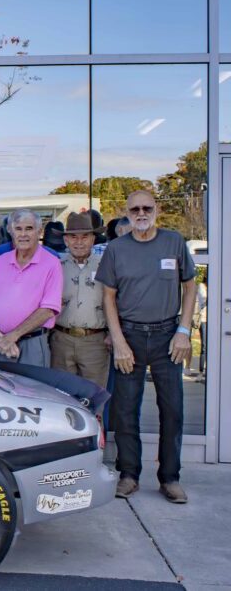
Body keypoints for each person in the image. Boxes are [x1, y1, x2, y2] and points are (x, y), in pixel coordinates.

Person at [97, 190, 197, 504]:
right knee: (125, 410)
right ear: (127, 212)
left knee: (173, 410)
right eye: (135, 209)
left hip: (169, 336)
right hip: (131, 336)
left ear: (157, 209)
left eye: (147, 208)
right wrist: (120, 341)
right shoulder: (116, 249)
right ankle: (129, 474)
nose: (141, 213)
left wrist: (184, 330)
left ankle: (170, 478)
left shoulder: (174, 242)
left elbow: (190, 286)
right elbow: (108, 297)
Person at [0, 209, 63, 367]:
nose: (23, 234)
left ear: (39, 231)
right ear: (11, 231)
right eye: (18, 229)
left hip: (32, 344)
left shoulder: (52, 263)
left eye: (29, 228)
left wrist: (12, 336)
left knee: (32, 391)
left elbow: (48, 309)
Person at [50, 213, 110, 388]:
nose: (79, 242)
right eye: (73, 237)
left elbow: (116, 301)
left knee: (94, 396)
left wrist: (113, 334)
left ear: (93, 239)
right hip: (61, 340)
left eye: (85, 237)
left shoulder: (105, 265)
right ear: (66, 240)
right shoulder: (55, 266)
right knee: (62, 394)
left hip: (95, 342)